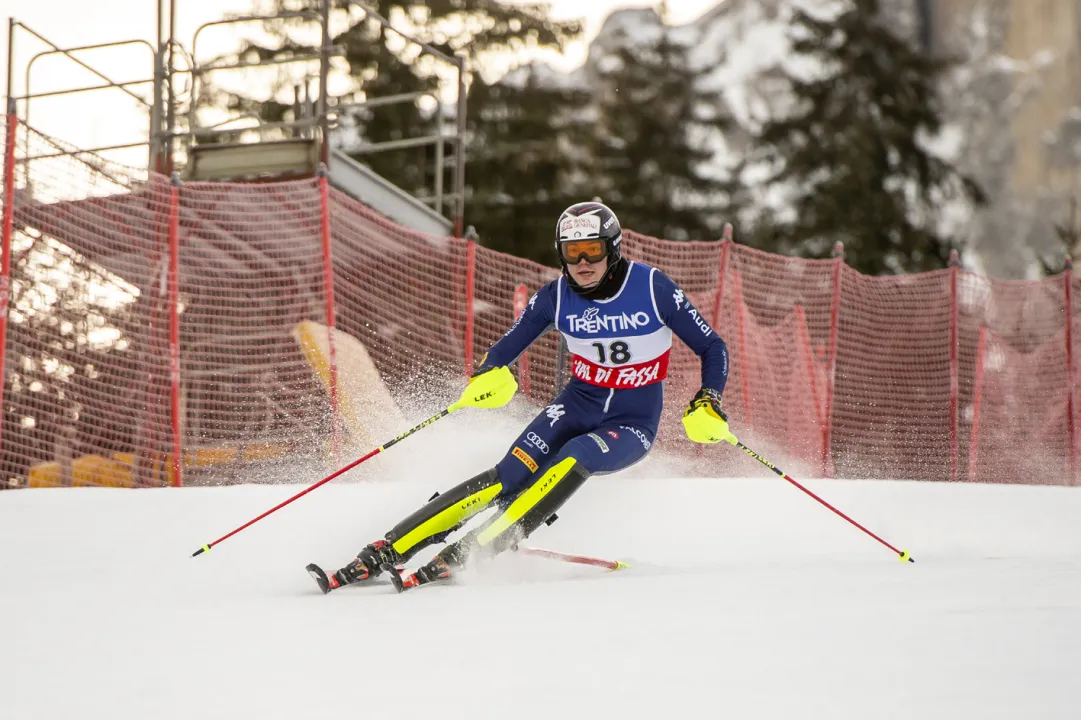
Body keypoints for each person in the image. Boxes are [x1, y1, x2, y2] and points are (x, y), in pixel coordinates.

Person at [307, 201, 734, 594]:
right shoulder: (556, 297)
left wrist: (708, 398)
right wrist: (486, 374)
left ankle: (473, 551)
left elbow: (712, 346)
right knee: (507, 475)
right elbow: (507, 346)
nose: (582, 263)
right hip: (578, 402)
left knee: (576, 455)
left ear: (613, 249)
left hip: (633, 421)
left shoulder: (653, 287)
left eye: (592, 250)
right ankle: (387, 549)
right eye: (571, 252)